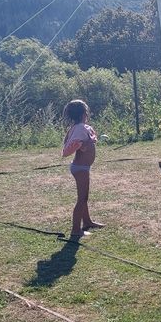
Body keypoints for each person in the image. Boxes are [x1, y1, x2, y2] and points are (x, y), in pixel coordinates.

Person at [61, 99, 104, 240]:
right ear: (84, 113)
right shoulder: (79, 128)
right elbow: (67, 149)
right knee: (82, 198)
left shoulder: (78, 127)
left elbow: (69, 141)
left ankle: (87, 221)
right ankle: (75, 230)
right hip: (80, 168)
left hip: (82, 168)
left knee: (84, 197)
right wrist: (81, 145)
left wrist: (85, 143)